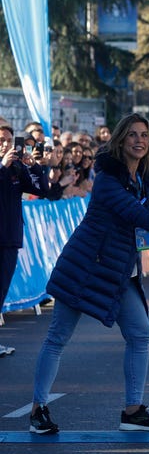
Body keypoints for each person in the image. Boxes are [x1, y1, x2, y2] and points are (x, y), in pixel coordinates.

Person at [28, 114, 149, 435]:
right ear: (121, 140)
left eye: (144, 135)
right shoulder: (108, 179)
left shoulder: (145, 179)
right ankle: (38, 409)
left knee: (140, 333)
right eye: (132, 135)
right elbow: (136, 214)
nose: (139, 140)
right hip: (84, 265)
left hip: (118, 269)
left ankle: (133, 410)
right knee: (58, 338)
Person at [0, 125, 49, 357]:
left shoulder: (17, 168)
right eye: (1, 140)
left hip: (9, 238)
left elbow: (43, 190)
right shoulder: (4, 168)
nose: (6, 145)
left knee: (1, 289)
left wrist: (35, 166)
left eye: (9, 141)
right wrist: (2, 166)